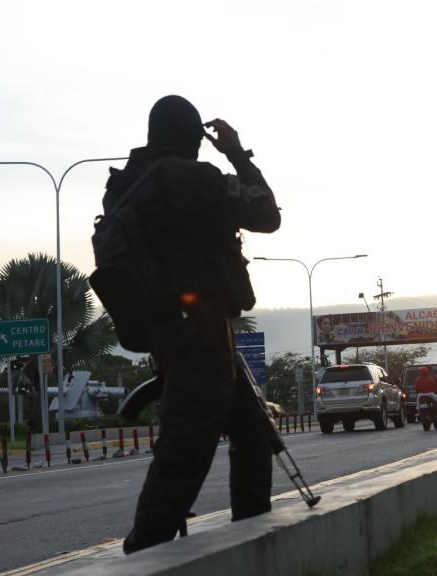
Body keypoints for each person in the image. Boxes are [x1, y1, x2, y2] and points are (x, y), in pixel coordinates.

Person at [110, 95, 281, 554]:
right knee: (186, 448)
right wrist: (236, 153)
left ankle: (253, 532)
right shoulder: (188, 177)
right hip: (200, 328)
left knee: (251, 430)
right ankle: (144, 550)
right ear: (192, 136)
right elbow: (267, 213)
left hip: (164, 329)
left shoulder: (124, 186)